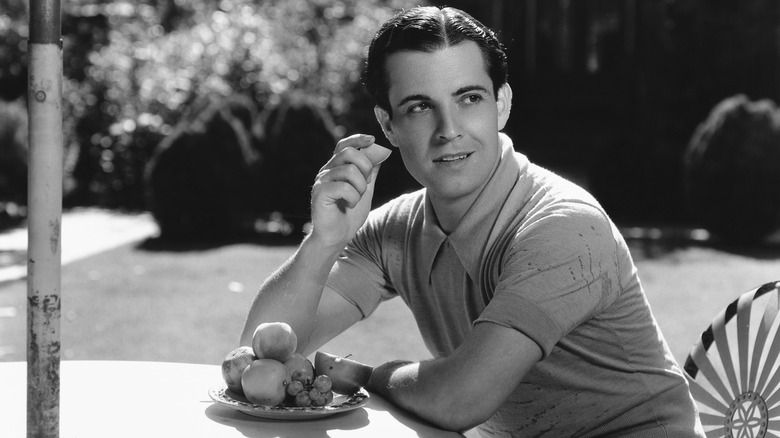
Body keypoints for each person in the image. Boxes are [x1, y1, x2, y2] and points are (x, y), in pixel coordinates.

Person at [240, 6, 705, 437]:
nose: (449, 129)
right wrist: (324, 241)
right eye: (420, 106)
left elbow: (461, 398)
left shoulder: (563, 227)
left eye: (469, 98)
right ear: (387, 124)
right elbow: (261, 353)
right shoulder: (396, 229)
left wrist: (369, 376)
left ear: (501, 104)